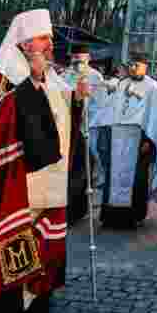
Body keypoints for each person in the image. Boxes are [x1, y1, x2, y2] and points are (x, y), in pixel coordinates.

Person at [0, 8, 89, 313]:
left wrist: (76, 100)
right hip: (20, 175)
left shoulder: (50, 73)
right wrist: (33, 81)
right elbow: (0, 117)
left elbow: (61, 111)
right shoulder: (6, 74)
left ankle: (39, 291)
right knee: (17, 234)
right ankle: (12, 299)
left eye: (50, 38)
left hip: (51, 175)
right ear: (24, 44)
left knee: (46, 235)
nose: (50, 44)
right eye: (43, 38)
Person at [97, 54, 157, 229]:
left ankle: (133, 216)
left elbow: (156, 115)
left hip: (138, 137)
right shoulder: (122, 84)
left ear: (145, 67)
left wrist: (149, 140)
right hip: (117, 136)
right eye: (131, 65)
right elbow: (111, 108)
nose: (133, 68)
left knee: (137, 177)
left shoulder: (153, 87)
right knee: (113, 175)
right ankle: (111, 215)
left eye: (137, 65)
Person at [62, 44, 104, 224]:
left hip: (86, 129)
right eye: (75, 58)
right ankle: (65, 208)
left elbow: (100, 105)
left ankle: (78, 210)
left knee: (82, 170)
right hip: (67, 129)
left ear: (88, 59)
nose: (77, 62)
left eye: (81, 58)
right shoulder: (64, 76)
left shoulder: (95, 77)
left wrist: (87, 122)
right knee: (68, 170)